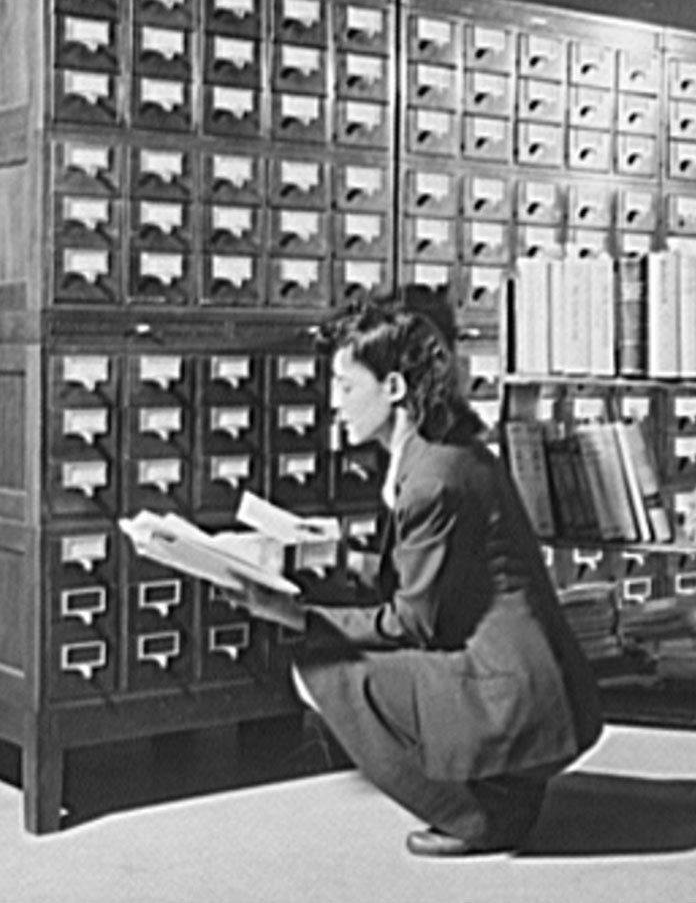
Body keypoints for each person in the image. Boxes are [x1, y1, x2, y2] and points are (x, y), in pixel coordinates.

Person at [227, 291, 604, 858]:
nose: (334, 403)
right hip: (542, 682)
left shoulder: (431, 480)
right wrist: (330, 555)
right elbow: (443, 573)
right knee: (347, 650)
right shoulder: (446, 450)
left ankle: (477, 817)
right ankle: (505, 791)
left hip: (515, 693)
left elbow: (413, 623)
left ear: (395, 389)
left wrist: (296, 613)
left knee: (319, 666)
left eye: (347, 387)